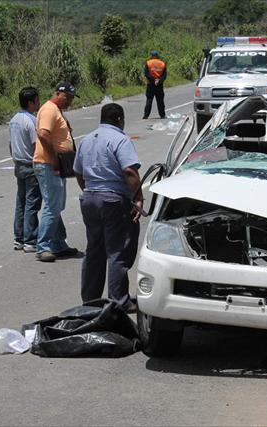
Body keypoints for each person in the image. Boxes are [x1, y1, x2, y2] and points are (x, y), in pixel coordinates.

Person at [74, 103, 143, 312]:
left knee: (94, 251)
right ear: (120, 119)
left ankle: (90, 301)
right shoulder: (120, 139)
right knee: (117, 252)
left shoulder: (87, 140)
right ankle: (119, 301)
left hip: (90, 199)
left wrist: (90, 190)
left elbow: (78, 171)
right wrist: (138, 197)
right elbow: (129, 171)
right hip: (113, 201)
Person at [33, 82, 79, 262]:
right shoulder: (49, 110)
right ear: (58, 94)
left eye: (71, 98)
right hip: (48, 164)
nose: (69, 101)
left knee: (57, 205)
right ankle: (43, 246)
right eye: (67, 97)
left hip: (55, 163)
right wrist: (53, 159)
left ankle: (58, 244)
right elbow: (43, 134)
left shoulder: (56, 110)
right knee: (53, 206)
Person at [10, 87, 42, 253]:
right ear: (30, 102)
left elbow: (11, 144)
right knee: (32, 203)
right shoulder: (32, 121)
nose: (39, 103)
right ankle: (30, 239)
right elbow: (36, 146)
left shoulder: (14, 119)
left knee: (21, 202)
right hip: (30, 165)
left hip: (18, 164)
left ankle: (19, 238)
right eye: (37, 100)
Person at [143, 50, 167, 119]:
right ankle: (162, 115)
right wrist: (159, 80)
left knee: (149, 100)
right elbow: (164, 75)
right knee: (160, 101)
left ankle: (146, 115)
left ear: (152, 56)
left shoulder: (148, 63)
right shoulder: (162, 64)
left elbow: (146, 74)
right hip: (159, 85)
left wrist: (153, 80)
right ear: (157, 55)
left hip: (151, 84)